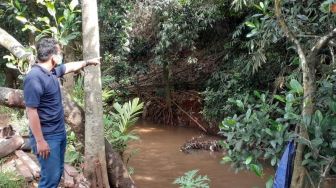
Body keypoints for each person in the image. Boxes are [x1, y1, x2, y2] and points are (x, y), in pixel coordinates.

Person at [23, 38, 99, 188]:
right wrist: (40, 141)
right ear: (53, 57)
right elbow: (31, 111)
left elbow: (68, 67)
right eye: (60, 52)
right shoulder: (34, 77)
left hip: (58, 133)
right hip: (47, 137)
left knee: (57, 174)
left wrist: (88, 62)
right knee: (50, 179)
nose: (61, 55)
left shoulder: (50, 72)